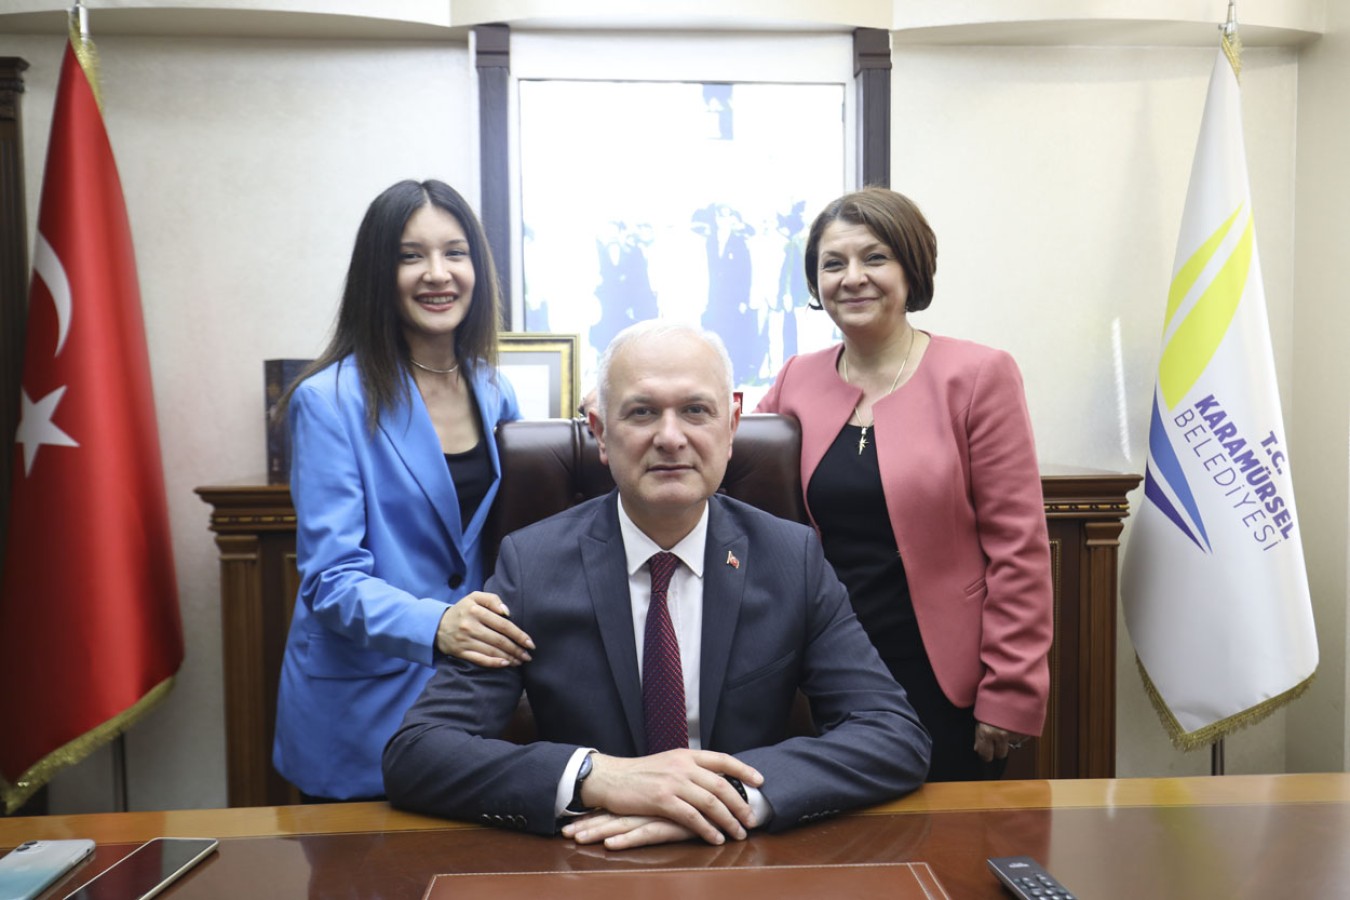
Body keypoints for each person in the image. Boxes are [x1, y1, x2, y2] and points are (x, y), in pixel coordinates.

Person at [383, 320, 931, 849]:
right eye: (642, 412)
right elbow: (419, 753)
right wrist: (595, 777)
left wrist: (724, 798)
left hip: (744, 856)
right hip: (589, 855)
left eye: (696, 410)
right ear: (601, 433)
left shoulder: (792, 558)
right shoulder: (532, 565)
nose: (670, 438)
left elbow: (892, 734)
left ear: (731, 425)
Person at [757, 187, 1053, 782]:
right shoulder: (795, 378)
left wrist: (1011, 688)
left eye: (875, 258)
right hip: (832, 668)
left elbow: (1018, 547)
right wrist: (613, 406)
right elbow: (721, 444)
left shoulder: (978, 374)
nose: (852, 278)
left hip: (947, 673)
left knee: (949, 834)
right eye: (833, 264)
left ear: (911, 268)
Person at [271, 179, 534, 802]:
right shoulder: (327, 401)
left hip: (468, 702)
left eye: (455, 252)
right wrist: (439, 625)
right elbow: (331, 580)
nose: (437, 273)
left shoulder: (494, 389)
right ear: (378, 274)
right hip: (359, 706)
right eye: (411, 256)